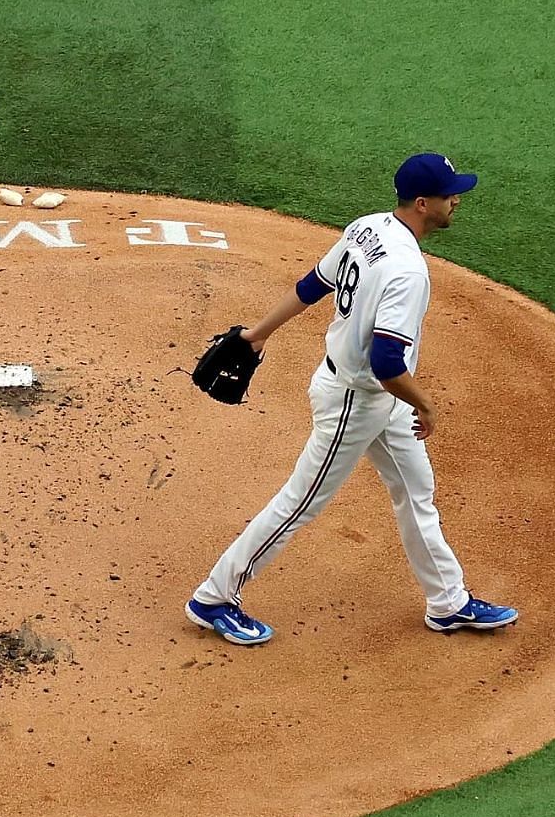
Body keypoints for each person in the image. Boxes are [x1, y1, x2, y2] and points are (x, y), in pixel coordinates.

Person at [186, 153, 519, 645]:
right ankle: (214, 597)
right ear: (424, 204)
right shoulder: (408, 272)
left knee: (415, 489)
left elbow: (311, 286)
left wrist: (256, 335)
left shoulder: (367, 228)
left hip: (371, 398)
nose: (458, 201)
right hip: (354, 404)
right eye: (451, 195)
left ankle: (448, 603)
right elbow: (388, 363)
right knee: (300, 503)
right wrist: (425, 405)